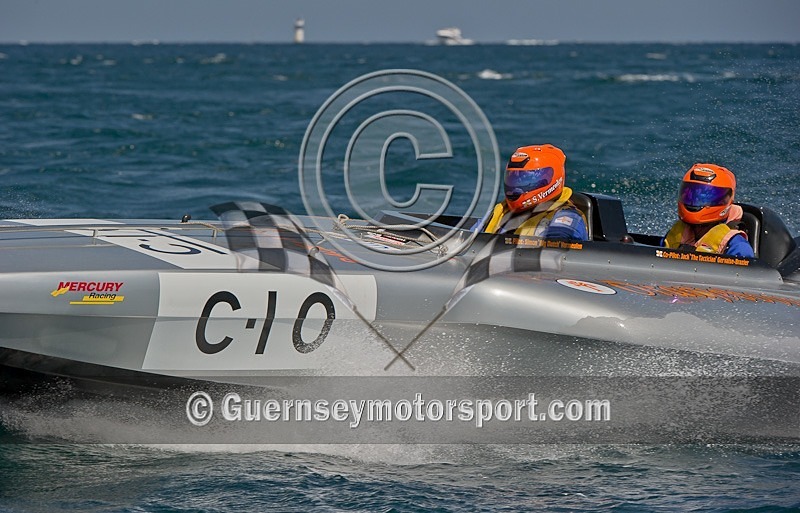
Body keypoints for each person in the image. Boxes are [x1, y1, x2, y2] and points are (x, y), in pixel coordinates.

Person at [478, 144, 588, 240]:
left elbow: (556, 246)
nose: (517, 189)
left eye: (526, 181)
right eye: (514, 179)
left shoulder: (567, 216)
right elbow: (469, 239)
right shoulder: (500, 211)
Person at [663, 163, 754, 258]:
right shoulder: (676, 233)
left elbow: (744, 271)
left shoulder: (737, 244)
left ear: (725, 199)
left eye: (706, 196)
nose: (696, 200)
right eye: (692, 195)